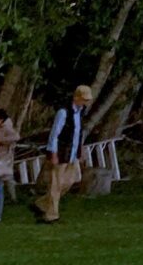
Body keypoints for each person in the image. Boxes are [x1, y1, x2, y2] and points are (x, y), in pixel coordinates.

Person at [36, 86, 91, 224]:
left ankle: (42, 203)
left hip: (72, 154)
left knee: (72, 179)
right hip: (61, 153)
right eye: (84, 99)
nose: (85, 102)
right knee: (56, 184)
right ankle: (51, 216)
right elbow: (54, 134)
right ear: (77, 97)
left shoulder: (81, 112)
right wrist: (53, 153)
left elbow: (78, 134)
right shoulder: (63, 112)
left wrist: (80, 151)